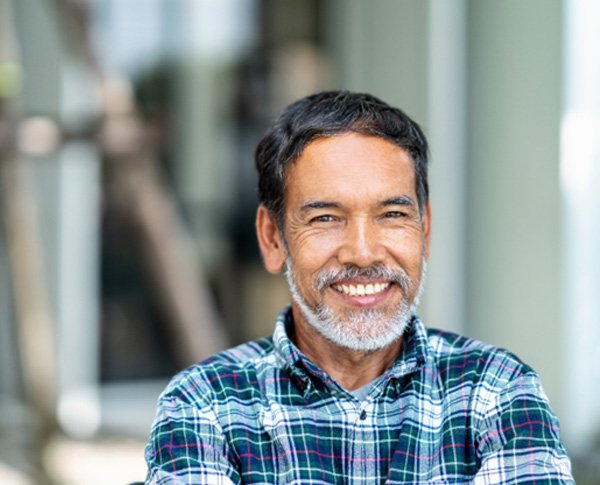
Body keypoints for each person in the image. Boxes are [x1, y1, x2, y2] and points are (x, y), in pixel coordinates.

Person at [144, 91, 573, 483]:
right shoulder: (206, 404)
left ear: (424, 231)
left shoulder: (495, 390)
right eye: (326, 218)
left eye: (391, 215)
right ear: (273, 239)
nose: (364, 254)